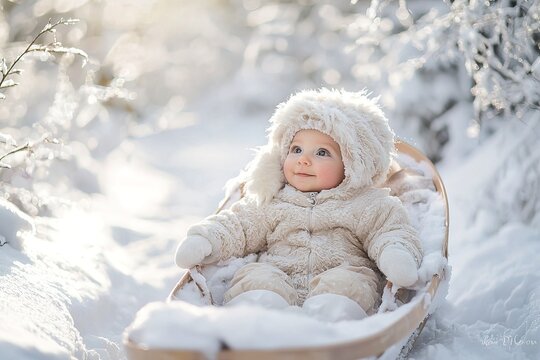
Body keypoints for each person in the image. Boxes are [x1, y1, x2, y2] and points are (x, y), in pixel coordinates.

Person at [175, 88, 423, 321]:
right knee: (256, 278)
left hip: (340, 278)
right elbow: (238, 224)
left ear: (351, 164)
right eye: (296, 149)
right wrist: (207, 238)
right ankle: (255, 320)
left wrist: (395, 254)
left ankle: (333, 323)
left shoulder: (365, 203)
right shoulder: (273, 199)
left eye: (321, 153)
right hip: (278, 278)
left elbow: (389, 230)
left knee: (351, 283)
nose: (303, 160)